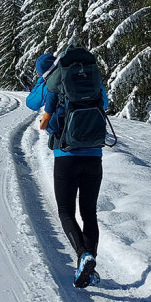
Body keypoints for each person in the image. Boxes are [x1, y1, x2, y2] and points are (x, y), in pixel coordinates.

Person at [26, 51, 109, 288]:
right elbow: (105, 103)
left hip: (66, 155)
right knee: (89, 213)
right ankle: (89, 262)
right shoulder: (91, 80)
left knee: (65, 211)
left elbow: (31, 103)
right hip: (94, 155)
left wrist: (44, 80)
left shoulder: (52, 83)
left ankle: (83, 255)